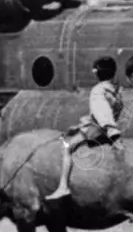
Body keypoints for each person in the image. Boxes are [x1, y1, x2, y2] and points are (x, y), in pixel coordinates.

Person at [47, 56, 124, 201]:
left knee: (66, 146)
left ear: (98, 73)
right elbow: (114, 111)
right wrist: (78, 126)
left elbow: (103, 116)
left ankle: (63, 187)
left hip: (96, 130)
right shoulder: (115, 90)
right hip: (102, 128)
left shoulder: (97, 90)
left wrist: (114, 136)